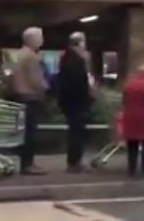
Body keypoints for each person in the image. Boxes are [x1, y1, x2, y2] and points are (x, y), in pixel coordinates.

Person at [9, 27, 50, 175]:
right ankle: (28, 164)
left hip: (19, 96)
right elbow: (36, 80)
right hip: (31, 97)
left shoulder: (18, 54)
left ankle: (25, 163)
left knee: (23, 132)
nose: (42, 40)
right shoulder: (31, 57)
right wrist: (46, 87)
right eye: (41, 37)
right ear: (33, 40)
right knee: (30, 133)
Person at [57, 32, 93, 173]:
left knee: (75, 131)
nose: (85, 45)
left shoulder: (66, 58)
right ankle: (75, 162)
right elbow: (78, 83)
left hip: (69, 101)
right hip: (76, 102)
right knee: (77, 132)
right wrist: (88, 96)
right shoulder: (76, 60)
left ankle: (75, 160)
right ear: (78, 43)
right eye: (84, 42)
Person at [121, 64, 144, 178]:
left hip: (129, 116)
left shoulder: (129, 84)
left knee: (132, 144)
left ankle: (131, 169)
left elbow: (124, 100)